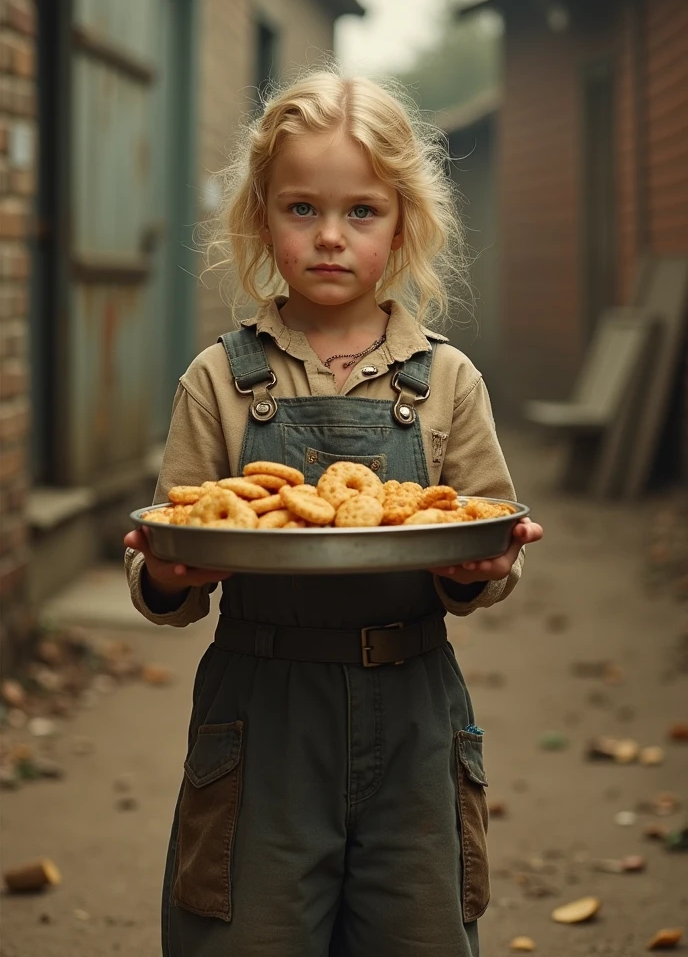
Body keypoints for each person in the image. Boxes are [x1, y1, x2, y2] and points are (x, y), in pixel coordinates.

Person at [124, 69, 543, 957]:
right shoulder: (219, 379)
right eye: (301, 208)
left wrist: (486, 569)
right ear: (261, 218)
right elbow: (172, 552)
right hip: (261, 707)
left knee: (418, 930)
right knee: (244, 929)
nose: (329, 237)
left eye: (361, 212)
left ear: (404, 224)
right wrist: (163, 573)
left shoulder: (448, 381)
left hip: (416, 707)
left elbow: (485, 530)